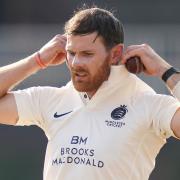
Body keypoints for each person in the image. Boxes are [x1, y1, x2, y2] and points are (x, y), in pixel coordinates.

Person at [0, 6, 180, 180]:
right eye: (71, 53)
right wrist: (37, 60)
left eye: (87, 54)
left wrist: (165, 70)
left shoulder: (147, 103)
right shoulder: (53, 99)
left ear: (116, 53)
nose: (76, 63)